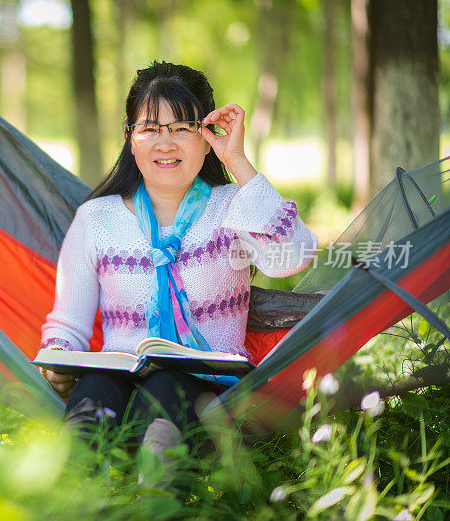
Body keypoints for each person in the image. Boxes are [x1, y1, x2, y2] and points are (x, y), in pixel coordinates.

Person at [38, 61, 317, 453]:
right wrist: (60, 358)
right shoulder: (97, 219)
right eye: (149, 129)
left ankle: (155, 502)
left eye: (182, 129)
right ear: (131, 139)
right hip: (118, 375)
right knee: (92, 395)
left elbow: (294, 254)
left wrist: (237, 159)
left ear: (207, 138)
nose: (164, 144)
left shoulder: (233, 207)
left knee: (166, 387)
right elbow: (67, 323)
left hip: (207, 384)